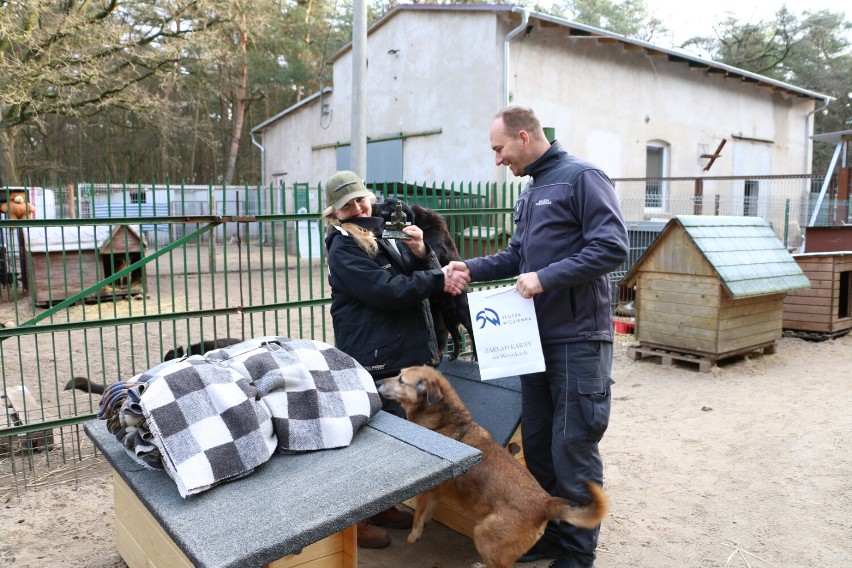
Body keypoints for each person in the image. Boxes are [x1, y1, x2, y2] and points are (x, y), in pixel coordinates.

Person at [445, 105, 629, 568]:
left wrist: (544, 278)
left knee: (574, 446)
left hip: (577, 338)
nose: (497, 160)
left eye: (499, 148)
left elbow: (612, 247)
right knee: (542, 446)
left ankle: (578, 555)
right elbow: (517, 255)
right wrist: (472, 267)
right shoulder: (531, 192)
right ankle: (551, 534)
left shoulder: (582, 177)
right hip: (533, 341)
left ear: (524, 137)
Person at [322, 169, 463, 549]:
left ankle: (381, 505)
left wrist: (420, 251)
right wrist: (438, 278)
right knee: (372, 440)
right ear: (335, 213)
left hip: (403, 348)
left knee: (397, 439)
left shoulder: (382, 229)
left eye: (360, 198)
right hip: (375, 356)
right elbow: (386, 291)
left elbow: (410, 272)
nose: (358, 206)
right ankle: (358, 521)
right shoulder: (344, 247)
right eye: (347, 204)